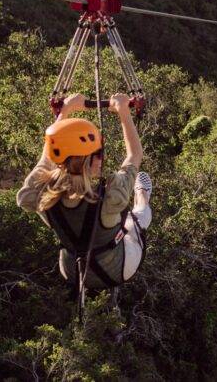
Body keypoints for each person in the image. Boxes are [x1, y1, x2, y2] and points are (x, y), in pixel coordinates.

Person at [17, 92, 152, 292]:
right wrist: (123, 111)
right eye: (100, 152)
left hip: (72, 271)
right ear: (93, 160)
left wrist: (64, 112)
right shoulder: (111, 198)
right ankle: (143, 196)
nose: (103, 157)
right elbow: (134, 156)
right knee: (136, 220)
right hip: (117, 269)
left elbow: (44, 163)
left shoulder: (39, 197)